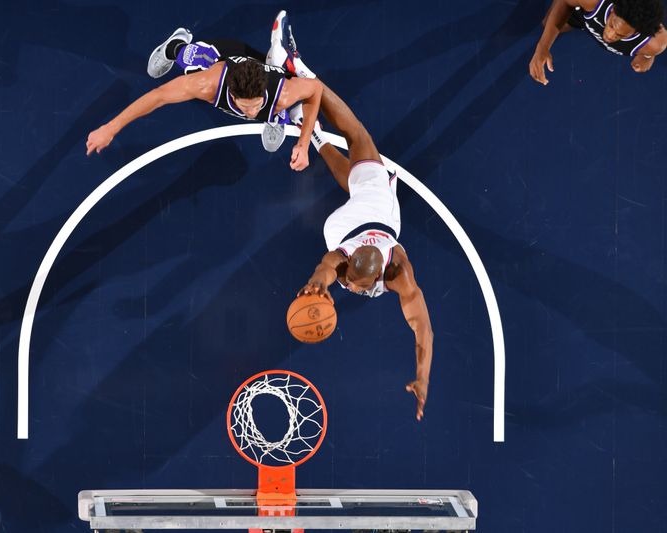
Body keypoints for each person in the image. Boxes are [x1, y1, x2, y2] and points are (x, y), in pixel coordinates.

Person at [272, 13, 433, 421]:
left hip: (351, 220)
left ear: (381, 269)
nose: (350, 286)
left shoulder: (398, 271)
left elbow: (423, 331)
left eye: (351, 284)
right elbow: (326, 270)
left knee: (361, 161)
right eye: (351, 283)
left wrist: (422, 375)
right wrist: (316, 286)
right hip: (361, 212)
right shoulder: (348, 263)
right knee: (358, 145)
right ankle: (305, 88)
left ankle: (310, 92)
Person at [85, 27, 323, 170]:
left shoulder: (283, 93)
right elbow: (159, 97)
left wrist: (303, 145)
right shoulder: (207, 84)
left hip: (257, 67)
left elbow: (315, 90)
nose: (250, 113)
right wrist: (110, 127)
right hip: (219, 56)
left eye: (256, 105)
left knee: (275, 104)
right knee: (191, 61)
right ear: (231, 93)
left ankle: (273, 115)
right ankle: (174, 45)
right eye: (245, 107)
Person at [530, 0, 667, 84]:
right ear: (613, 9)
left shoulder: (654, 45)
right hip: (584, 14)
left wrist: (648, 56)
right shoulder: (593, 1)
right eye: (612, 25)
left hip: (589, 22)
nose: (609, 35)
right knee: (547, 23)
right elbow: (565, 2)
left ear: (638, 32)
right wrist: (543, 47)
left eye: (620, 35)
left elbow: (652, 45)